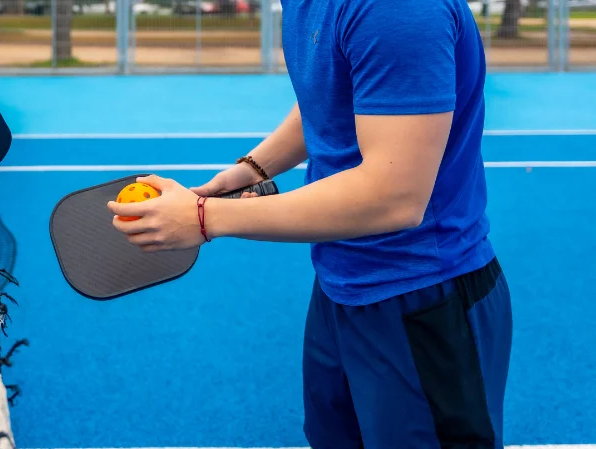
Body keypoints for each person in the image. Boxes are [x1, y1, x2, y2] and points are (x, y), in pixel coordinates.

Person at [108, 0, 512, 447]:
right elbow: (336, 93)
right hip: (341, 285)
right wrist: (252, 169)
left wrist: (206, 219)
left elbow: (395, 196)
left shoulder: (396, 9)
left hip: (424, 297)